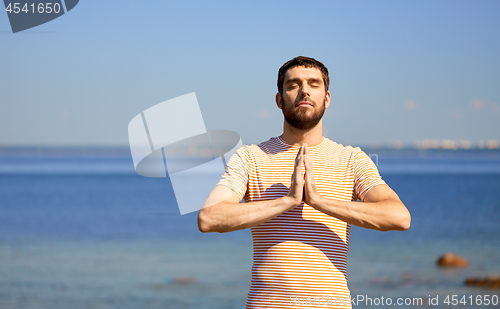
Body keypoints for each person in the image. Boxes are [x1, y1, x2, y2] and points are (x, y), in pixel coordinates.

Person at [197, 56, 411, 308]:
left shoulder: (352, 159)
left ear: (327, 98)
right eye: (293, 85)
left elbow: (399, 217)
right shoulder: (250, 157)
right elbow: (209, 218)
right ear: (279, 99)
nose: (304, 91)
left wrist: (319, 201)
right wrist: (287, 201)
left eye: (313, 84)